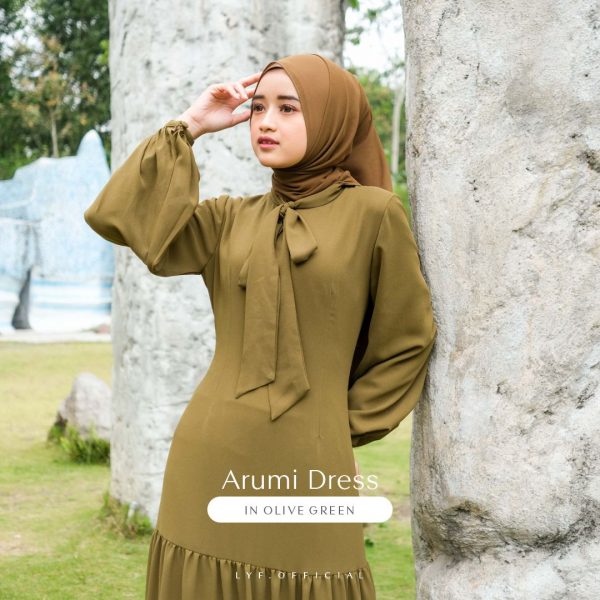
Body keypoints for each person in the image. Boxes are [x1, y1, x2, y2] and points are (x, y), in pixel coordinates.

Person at [84, 53, 437, 600]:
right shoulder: (227, 218)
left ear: (332, 119)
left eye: (288, 108)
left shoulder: (375, 214)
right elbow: (121, 218)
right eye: (258, 108)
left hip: (312, 465)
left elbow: (407, 340)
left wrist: (340, 426)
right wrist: (190, 125)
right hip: (208, 456)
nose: (266, 122)